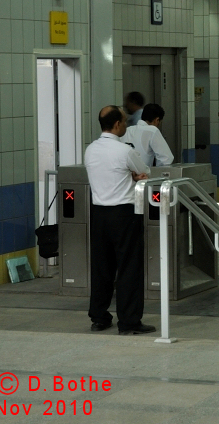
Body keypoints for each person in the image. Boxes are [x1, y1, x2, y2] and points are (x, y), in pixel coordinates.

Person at [84, 105, 155, 335]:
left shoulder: (90, 150)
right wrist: (134, 176)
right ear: (117, 125)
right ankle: (129, 322)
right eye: (124, 121)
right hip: (124, 214)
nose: (126, 124)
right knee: (128, 268)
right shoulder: (124, 151)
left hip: (99, 214)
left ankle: (99, 317)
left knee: (101, 267)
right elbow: (144, 170)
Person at [122, 103, 174, 167]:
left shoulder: (128, 130)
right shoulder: (152, 130)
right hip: (143, 174)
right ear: (157, 120)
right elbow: (166, 158)